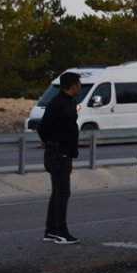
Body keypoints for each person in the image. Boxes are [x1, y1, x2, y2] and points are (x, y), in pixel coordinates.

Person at [38, 72, 82, 245]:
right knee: (63, 193)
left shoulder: (69, 102)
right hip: (57, 155)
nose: (80, 86)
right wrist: (53, 144)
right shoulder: (57, 103)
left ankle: (51, 230)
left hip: (65, 154)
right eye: (79, 83)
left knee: (58, 192)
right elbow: (43, 128)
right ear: (73, 85)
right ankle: (61, 232)